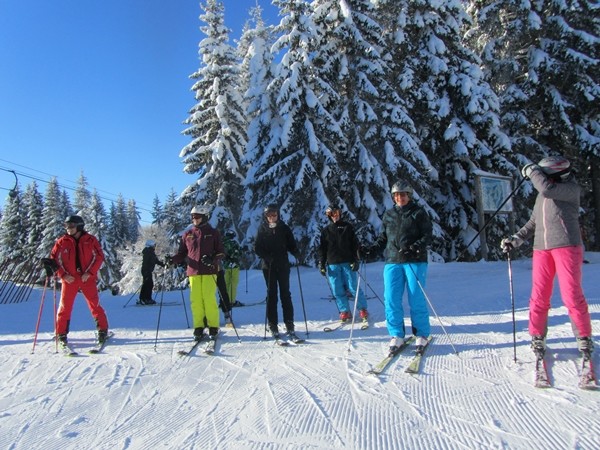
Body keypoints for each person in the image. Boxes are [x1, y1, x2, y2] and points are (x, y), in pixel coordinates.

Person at [501, 156, 593, 359]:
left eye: (544, 173)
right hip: (542, 248)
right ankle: (537, 335)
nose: (541, 176)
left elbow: (546, 189)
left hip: (567, 246)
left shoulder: (570, 189)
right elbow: (534, 221)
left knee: (572, 295)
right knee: (539, 296)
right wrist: (516, 239)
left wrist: (532, 171)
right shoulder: (545, 193)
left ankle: (584, 337)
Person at [369, 181, 432, 354]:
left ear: (409, 195)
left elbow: (427, 235)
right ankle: (396, 334)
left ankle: (421, 334)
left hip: (414, 261)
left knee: (416, 297)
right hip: (393, 261)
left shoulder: (418, 213)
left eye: (403, 194)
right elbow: (383, 238)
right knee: (391, 298)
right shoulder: (389, 214)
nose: (399, 198)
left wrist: (415, 247)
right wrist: (371, 249)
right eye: (396, 195)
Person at [47, 215, 109, 345]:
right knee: (65, 307)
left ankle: (102, 330)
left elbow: (99, 256)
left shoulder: (90, 240)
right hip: (69, 280)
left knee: (95, 305)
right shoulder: (62, 241)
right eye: (66, 226)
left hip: (87, 279)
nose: (68, 229)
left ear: (79, 226)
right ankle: (61, 333)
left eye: (71, 226)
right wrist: (63, 275)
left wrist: (90, 273)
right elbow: (53, 259)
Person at [169, 205, 225, 342]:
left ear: (204, 216)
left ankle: (213, 326)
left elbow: (221, 252)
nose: (194, 219)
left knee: (209, 299)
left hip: (209, 271)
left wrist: (213, 259)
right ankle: (198, 326)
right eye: (193, 217)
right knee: (196, 301)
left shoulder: (213, 233)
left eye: (197, 217)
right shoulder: (188, 234)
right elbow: (182, 253)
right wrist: (171, 259)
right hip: (193, 272)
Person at [254, 204, 301, 341]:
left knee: (286, 294)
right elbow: (257, 247)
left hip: (283, 265)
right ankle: (273, 324)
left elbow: (291, 244)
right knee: (272, 294)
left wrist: (295, 252)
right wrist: (266, 256)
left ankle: (289, 324)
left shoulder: (284, 228)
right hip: (268, 267)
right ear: (266, 216)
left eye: (274, 214)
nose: (272, 217)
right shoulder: (262, 229)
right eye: (269, 215)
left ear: (278, 215)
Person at [318, 204, 369, 323]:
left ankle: (362, 309)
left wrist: (356, 260)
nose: (334, 216)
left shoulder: (347, 227)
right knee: (337, 288)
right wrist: (321, 263)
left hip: (347, 262)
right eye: (331, 214)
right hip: (332, 263)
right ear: (329, 216)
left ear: (340, 213)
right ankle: (344, 310)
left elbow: (354, 245)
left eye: (336, 213)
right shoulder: (326, 231)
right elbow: (322, 249)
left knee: (353, 287)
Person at [138, 240, 164, 305]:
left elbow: (156, 261)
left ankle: (145, 298)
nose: (155, 247)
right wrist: (146, 271)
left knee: (148, 284)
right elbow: (145, 263)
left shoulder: (151, 252)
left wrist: (164, 265)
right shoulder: (147, 252)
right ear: (150, 245)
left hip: (148, 271)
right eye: (154, 245)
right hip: (146, 271)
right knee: (148, 284)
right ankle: (146, 299)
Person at [223, 230, 243, 307]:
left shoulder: (223, 243)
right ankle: (231, 301)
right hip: (234, 265)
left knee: (227, 283)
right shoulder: (233, 243)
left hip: (226, 266)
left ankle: (225, 300)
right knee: (233, 283)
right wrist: (242, 250)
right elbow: (237, 253)